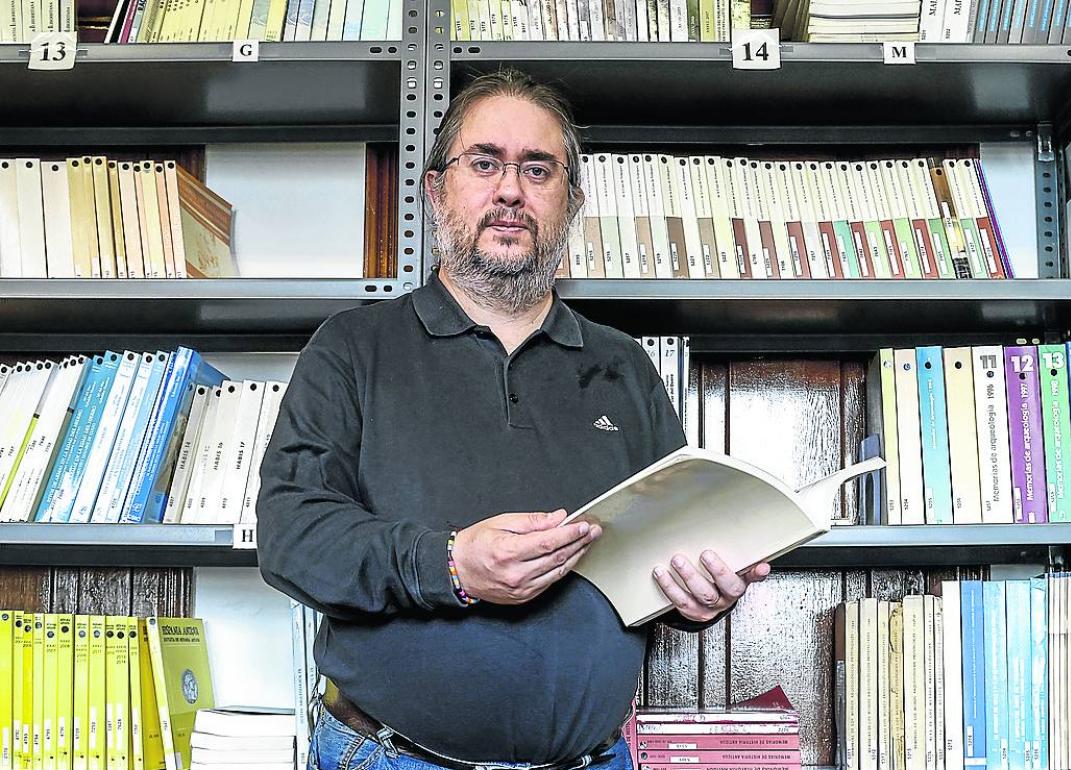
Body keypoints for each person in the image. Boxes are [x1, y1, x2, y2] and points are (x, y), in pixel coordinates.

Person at [255, 68, 770, 770]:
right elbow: (292, 538)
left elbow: (666, 553)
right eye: (484, 163)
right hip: (388, 757)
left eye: (537, 169)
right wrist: (451, 565)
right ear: (436, 190)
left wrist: (700, 594)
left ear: (570, 203)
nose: (510, 191)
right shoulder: (352, 347)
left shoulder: (624, 366)